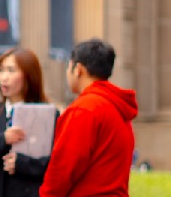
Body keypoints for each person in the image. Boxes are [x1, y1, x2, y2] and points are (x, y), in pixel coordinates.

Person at [40, 39, 139, 197]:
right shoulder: (118, 107)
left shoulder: (84, 109)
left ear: (78, 69)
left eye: (68, 66)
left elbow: (62, 170)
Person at [0, 49, 55, 197]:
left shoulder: (48, 115)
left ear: (29, 76)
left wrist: (22, 163)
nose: (3, 77)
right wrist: (3, 140)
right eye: (1, 70)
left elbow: (55, 163)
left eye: (11, 71)